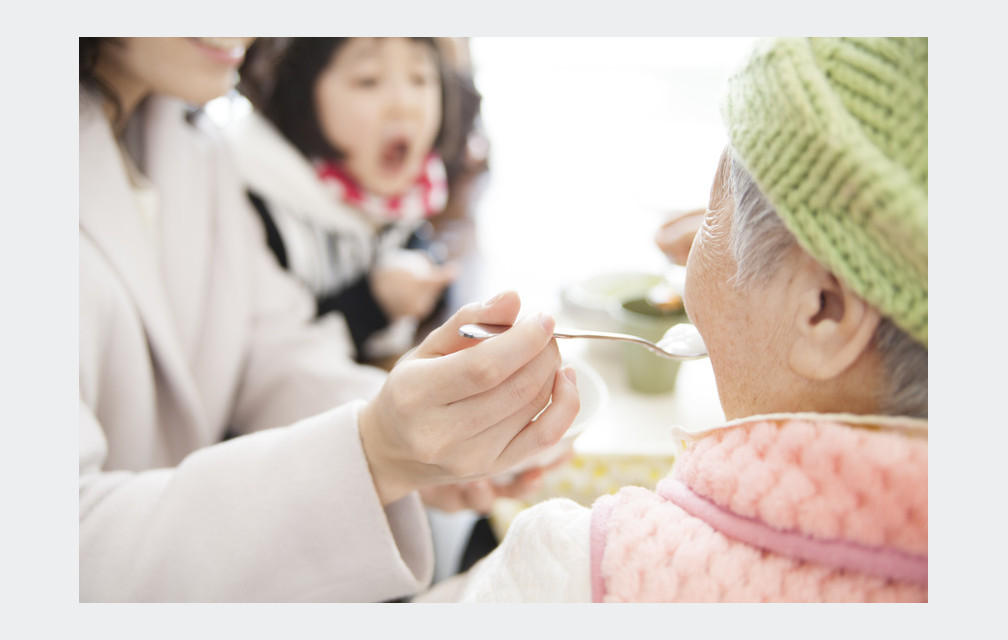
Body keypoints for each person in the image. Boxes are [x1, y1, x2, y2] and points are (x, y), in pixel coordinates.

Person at [414, 36, 928, 603]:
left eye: (713, 208)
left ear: (823, 310)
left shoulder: (569, 573)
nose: (684, 248)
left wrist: (388, 457)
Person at [78, 37, 579, 602]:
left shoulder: (191, 142)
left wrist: (429, 436)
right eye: (368, 81)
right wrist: (373, 456)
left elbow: (271, 348)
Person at [223, 37, 474, 362]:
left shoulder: (386, 186)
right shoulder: (258, 202)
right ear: (302, 92)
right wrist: (374, 302)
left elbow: (413, 243)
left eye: (420, 78)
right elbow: (270, 359)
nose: (405, 104)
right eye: (368, 80)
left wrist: (424, 277)